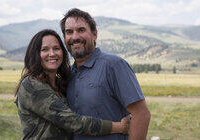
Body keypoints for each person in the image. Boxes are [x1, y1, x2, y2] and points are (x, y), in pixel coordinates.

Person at [14, 29, 130, 140]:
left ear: (63, 53)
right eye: (44, 50)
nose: (52, 54)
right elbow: (72, 122)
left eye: (56, 48)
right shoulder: (32, 85)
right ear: (35, 54)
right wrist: (119, 127)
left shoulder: (59, 83)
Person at [60, 8, 151, 140]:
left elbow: (141, 114)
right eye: (69, 32)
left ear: (94, 34)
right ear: (65, 38)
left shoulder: (114, 65)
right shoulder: (68, 74)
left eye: (81, 30)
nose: (75, 37)